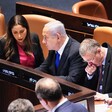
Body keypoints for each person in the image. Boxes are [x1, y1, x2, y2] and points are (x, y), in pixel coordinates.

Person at [36, 20, 86, 86]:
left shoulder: (76, 51)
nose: (43, 41)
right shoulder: (53, 49)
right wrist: (29, 74)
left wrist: (48, 80)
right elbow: (43, 68)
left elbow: (72, 80)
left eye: (46, 38)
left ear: (58, 37)